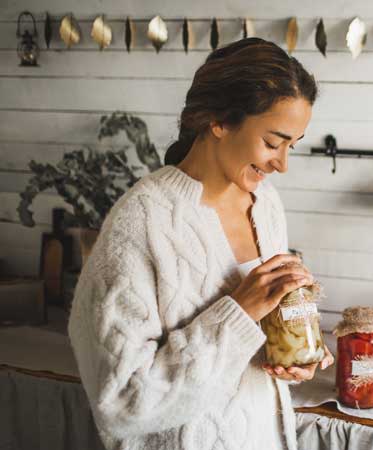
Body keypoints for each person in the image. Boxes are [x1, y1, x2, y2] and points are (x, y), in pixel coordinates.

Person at [68, 37, 334, 450]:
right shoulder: (141, 221)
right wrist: (239, 314)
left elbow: (249, 346)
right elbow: (119, 402)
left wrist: (293, 350)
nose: (282, 164)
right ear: (219, 121)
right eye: (272, 142)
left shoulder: (266, 204)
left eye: (292, 146)